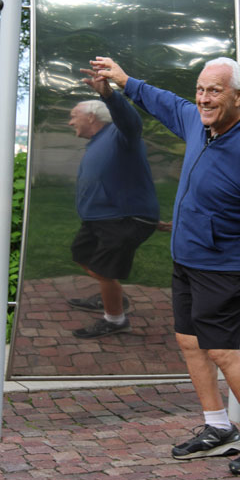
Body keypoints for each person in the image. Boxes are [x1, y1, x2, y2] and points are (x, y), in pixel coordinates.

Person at [86, 55, 240, 475]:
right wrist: (126, 81)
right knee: (189, 342)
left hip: (229, 264)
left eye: (214, 91)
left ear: (238, 96)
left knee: (220, 347)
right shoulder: (199, 122)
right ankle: (219, 429)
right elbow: (163, 101)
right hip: (189, 256)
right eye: (200, 89)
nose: (203, 98)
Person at [67, 77, 160, 339]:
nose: (70, 122)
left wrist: (109, 95)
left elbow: (131, 120)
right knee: (81, 254)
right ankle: (111, 294)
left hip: (123, 219)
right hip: (101, 219)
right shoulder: (98, 142)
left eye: (74, 116)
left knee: (106, 271)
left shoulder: (120, 134)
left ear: (91, 116)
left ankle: (116, 319)